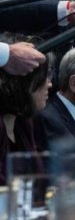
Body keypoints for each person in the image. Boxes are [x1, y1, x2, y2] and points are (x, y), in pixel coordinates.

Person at [0, 40, 51, 184]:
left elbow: (38, 183)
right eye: (45, 76)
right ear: (21, 81)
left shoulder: (23, 123)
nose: (50, 83)